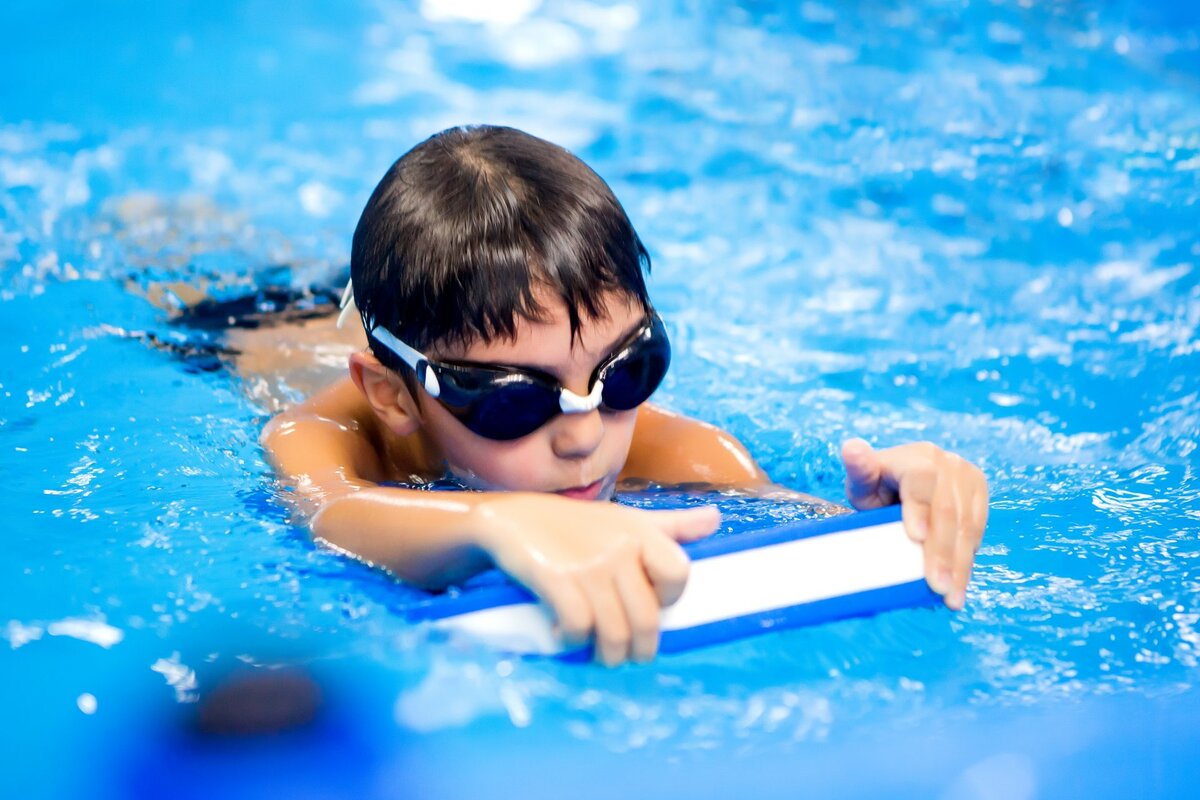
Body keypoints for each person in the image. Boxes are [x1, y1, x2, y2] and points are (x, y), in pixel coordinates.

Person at [260, 125, 988, 667]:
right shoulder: (325, 431)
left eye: (626, 372)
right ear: (391, 396)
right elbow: (330, 513)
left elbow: (802, 535)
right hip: (247, 324)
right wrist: (500, 523)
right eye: (514, 401)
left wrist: (897, 513)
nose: (583, 435)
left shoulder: (684, 451)